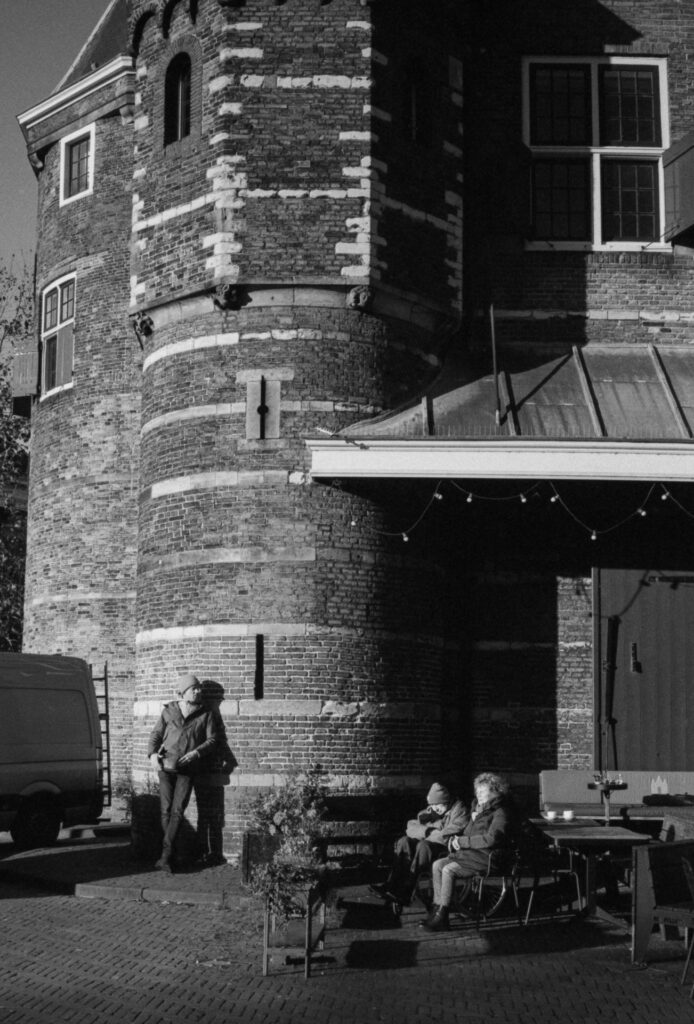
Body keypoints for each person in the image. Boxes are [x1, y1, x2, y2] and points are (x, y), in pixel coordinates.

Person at [148, 673, 223, 873]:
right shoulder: (169, 710)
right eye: (194, 688)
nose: (198, 691)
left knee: (177, 810)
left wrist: (196, 754)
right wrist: (153, 755)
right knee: (165, 810)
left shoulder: (205, 713)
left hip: (188, 769)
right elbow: (156, 735)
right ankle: (171, 853)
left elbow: (213, 740)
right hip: (166, 766)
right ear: (184, 692)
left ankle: (165, 856)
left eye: (199, 688)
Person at [423, 772, 516, 931]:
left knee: (448, 869)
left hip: (488, 857)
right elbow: (467, 833)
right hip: (472, 854)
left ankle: (443, 915)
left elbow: (491, 839)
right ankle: (437, 910)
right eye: (477, 791)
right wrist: (455, 840)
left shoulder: (500, 812)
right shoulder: (479, 810)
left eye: (482, 791)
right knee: (437, 864)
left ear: (494, 791)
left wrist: (463, 842)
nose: (478, 794)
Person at [370, 782, 469, 905]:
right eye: (432, 804)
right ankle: (391, 885)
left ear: (447, 801)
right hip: (426, 844)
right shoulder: (429, 813)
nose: (435, 808)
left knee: (423, 845)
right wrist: (429, 830)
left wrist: (425, 833)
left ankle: (407, 891)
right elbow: (410, 828)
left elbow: (445, 835)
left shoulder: (460, 811)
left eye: (438, 804)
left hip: (445, 848)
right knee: (404, 841)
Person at [192, 680, 238, 867]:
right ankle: (205, 852)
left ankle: (210, 852)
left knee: (212, 814)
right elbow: (216, 740)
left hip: (211, 768)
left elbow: (219, 740)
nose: (219, 701)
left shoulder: (208, 713)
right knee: (207, 814)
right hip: (203, 767)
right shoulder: (205, 714)